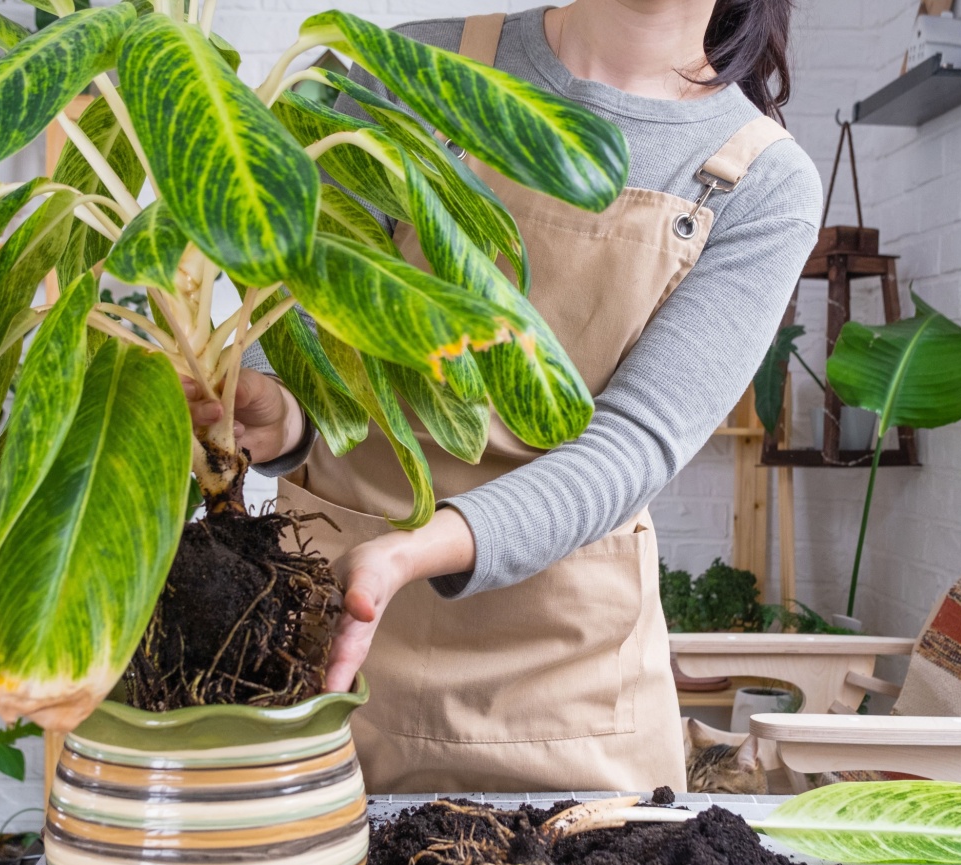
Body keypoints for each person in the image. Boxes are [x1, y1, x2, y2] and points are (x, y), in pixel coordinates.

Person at [187, 0, 822, 794]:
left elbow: (634, 445)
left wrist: (417, 551)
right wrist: (283, 413)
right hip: (324, 647)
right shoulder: (413, 68)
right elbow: (301, 315)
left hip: (566, 698)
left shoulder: (761, 180)